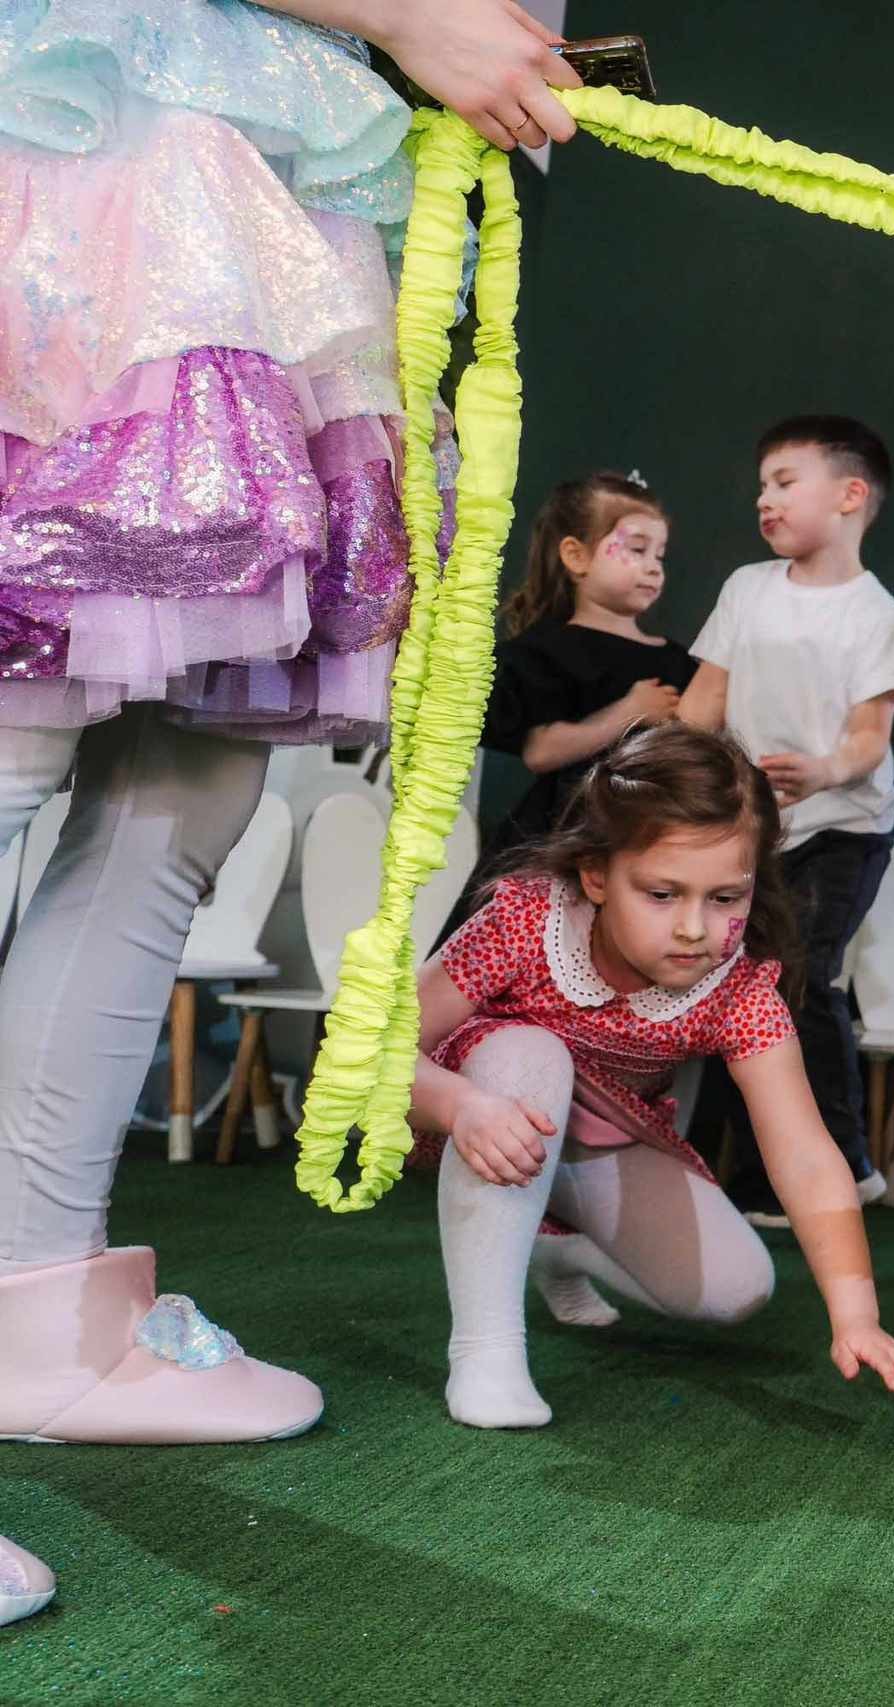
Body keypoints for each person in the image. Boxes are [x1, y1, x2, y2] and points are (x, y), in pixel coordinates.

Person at [0, 0, 585, 1626]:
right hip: (91, 134)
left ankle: (44, 1318)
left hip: (272, 182)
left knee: (186, 774)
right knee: (13, 717)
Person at [413, 720, 894, 1429]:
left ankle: (554, 1244)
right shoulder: (529, 918)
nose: (694, 927)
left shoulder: (738, 986)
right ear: (596, 874)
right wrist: (458, 1105)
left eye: (725, 897)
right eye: (662, 894)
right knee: (531, 1056)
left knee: (738, 1288)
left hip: (599, 1141)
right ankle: (487, 1350)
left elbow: (807, 1158)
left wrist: (857, 1314)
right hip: (483, 1108)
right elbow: (379, 1052)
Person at [680, 416, 894, 1212]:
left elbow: (868, 741)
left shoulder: (881, 617)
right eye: (762, 486)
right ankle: (735, 1166)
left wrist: (822, 770)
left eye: (785, 482)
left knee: (798, 977)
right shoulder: (746, 589)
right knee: (735, 983)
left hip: (843, 830)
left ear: (850, 496)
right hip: (747, 831)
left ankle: (840, 1164)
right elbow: (701, 706)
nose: (764, 499)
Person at [450, 470, 693, 925]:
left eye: (659, 553)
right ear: (577, 556)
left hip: (651, 836)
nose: (654, 565)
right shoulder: (549, 651)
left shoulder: (681, 663)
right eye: (636, 549)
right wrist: (629, 712)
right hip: (565, 833)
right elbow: (541, 751)